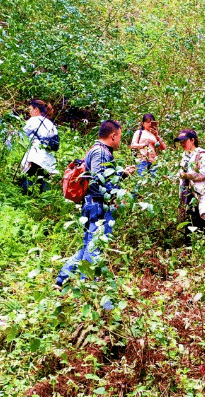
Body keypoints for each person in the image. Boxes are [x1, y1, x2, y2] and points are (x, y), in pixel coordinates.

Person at [55, 120, 135, 289]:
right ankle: (89, 285)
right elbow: (99, 179)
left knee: (89, 245)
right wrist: (114, 196)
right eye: (120, 136)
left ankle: (61, 279)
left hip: (94, 204)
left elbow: (100, 175)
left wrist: (121, 174)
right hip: (97, 205)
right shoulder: (100, 152)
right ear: (113, 136)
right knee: (95, 246)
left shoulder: (99, 150)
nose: (121, 140)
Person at [174, 129, 205, 253]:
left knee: (203, 217)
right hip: (188, 191)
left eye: (184, 141)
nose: (182, 144)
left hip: (200, 191)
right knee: (190, 216)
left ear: (192, 140)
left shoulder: (201, 154)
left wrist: (188, 175)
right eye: (181, 142)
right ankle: (190, 246)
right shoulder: (185, 156)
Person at [20, 99, 58, 194]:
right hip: (48, 158)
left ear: (36, 109)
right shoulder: (51, 124)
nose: (29, 112)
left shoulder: (33, 120)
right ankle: (45, 205)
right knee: (43, 180)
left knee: (27, 178)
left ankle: (24, 201)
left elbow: (22, 135)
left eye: (30, 109)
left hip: (36, 156)